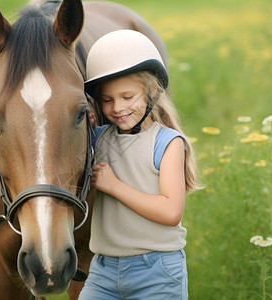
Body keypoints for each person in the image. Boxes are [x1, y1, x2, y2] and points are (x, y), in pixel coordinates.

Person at [78, 30, 200, 299]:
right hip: (103, 270)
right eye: (107, 100)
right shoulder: (99, 139)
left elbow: (171, 212)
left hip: (156, 271)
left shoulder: (168, 143)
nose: (117, 108)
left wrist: (113, 186)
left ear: (152, 91)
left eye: (127, 97)